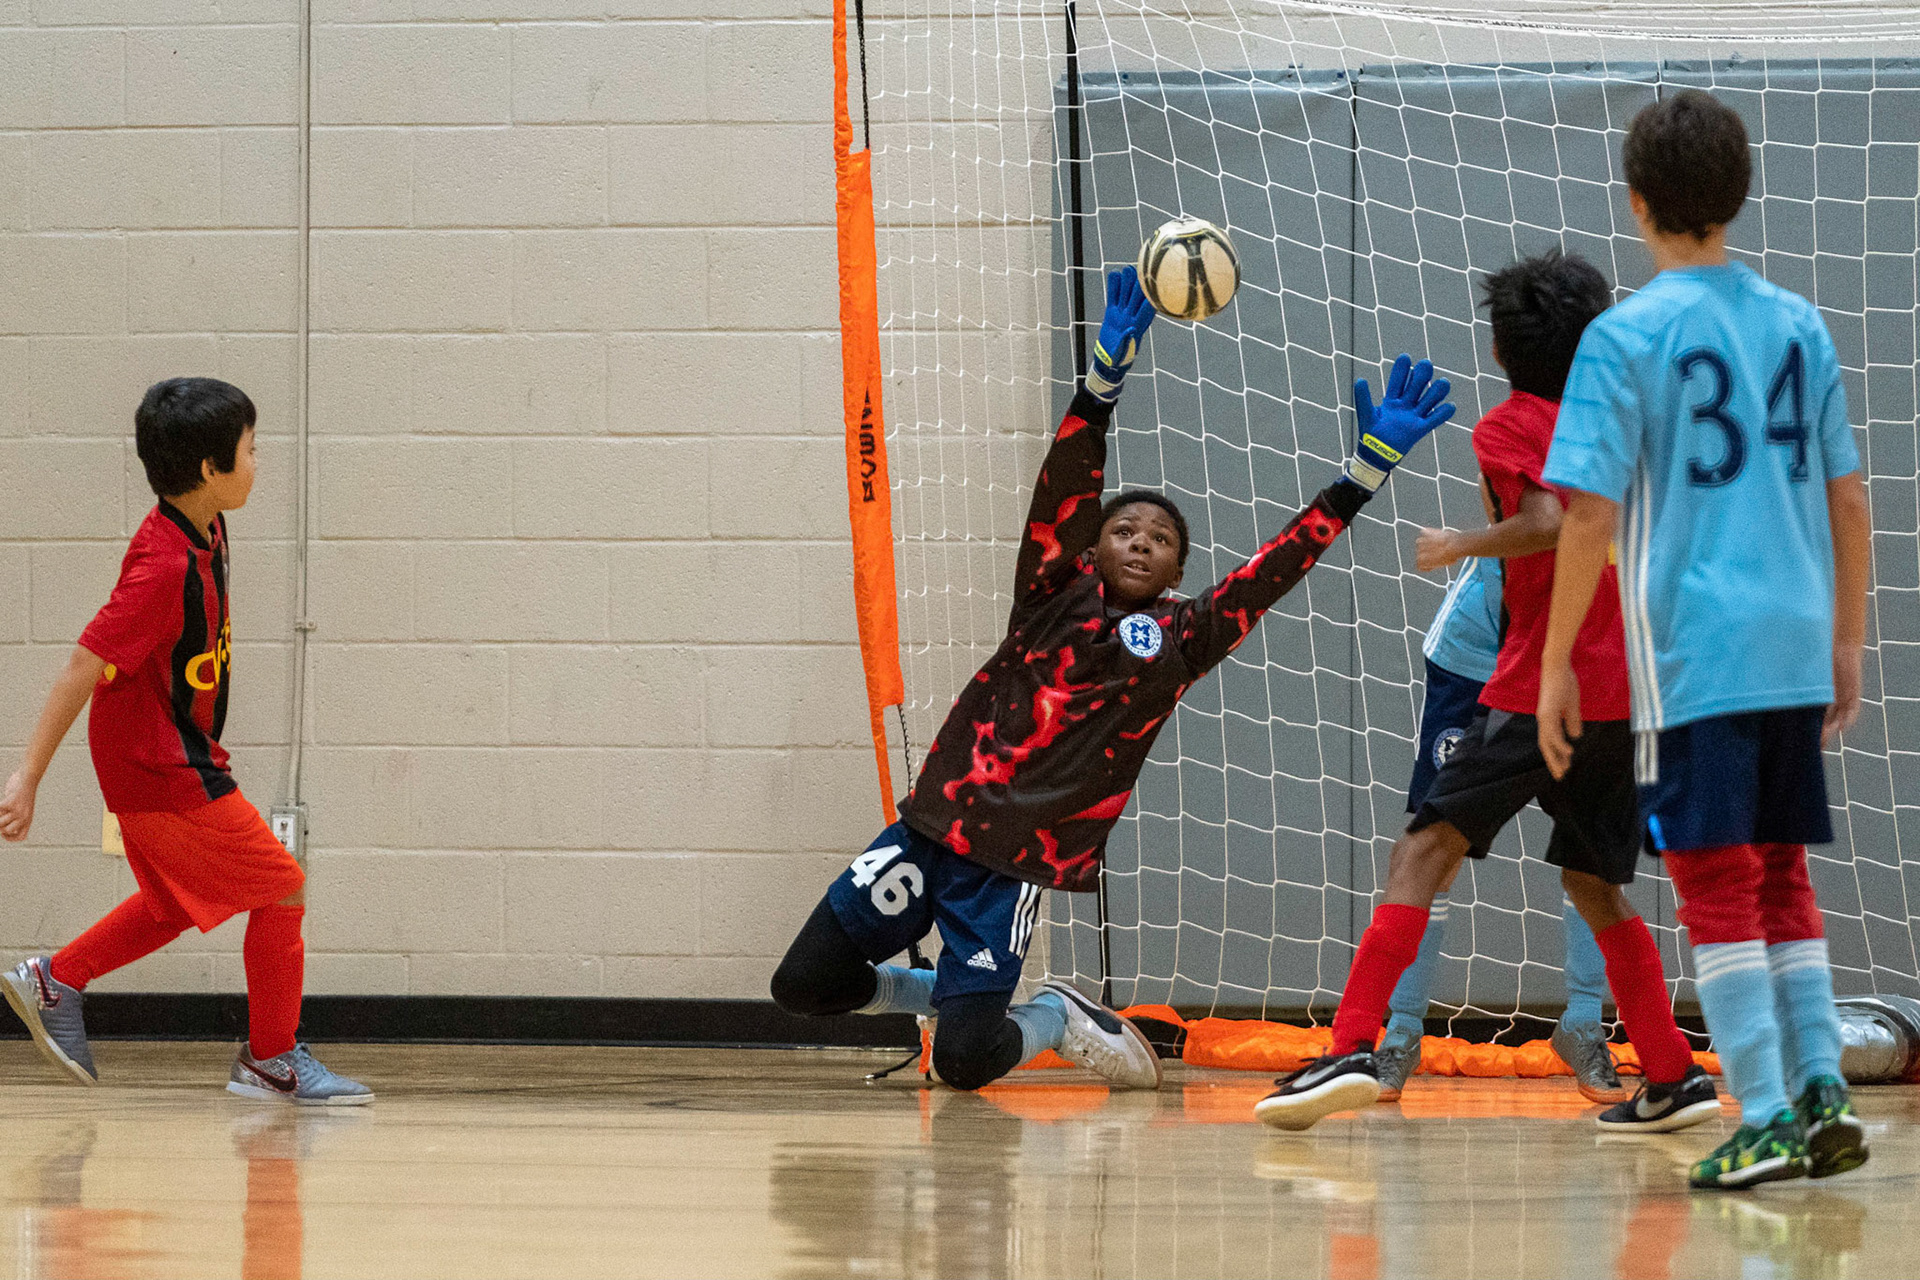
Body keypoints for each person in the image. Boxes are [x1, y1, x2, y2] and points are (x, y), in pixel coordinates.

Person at [772, 266, 1456, 1091]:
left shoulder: (1180, 638)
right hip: (929, 831)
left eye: (1160, 537)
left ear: (1176, 569)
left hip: (1011, 867)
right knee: (805, 986)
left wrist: (1364, 473)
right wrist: (1102, 381)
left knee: (962, 1064)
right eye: (1123, 528)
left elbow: (1276, 569)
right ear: (1091, 549)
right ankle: (944, 996)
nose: (1138, 540)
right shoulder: (1049, 594)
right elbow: (1064, 489)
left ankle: (1054, 1016)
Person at [1256, 249, 1716, 1134]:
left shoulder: (1510, 425)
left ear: (1501, 351)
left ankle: (1353, 1043)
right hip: (1629, 690)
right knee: (1594, 883)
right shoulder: (1627, 420)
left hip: (1540, 684)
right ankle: (1670, 1070)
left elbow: (1546, 524)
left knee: (1420, 852)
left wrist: (1457, 543)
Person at [1536, 89, 1871, 1189]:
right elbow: (1852, 497)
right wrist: (1847, 641)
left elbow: (1585, 512)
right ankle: (1820, 1091)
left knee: (1712, 878)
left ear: (1636, 201)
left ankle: (1766, 1108)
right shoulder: (1798, 321)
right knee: (1781, 871)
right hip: (1792, 630)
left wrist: (1551, 669)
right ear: (1739, 194)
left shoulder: (1625, 335)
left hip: (1700, 643)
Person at [0, 377, 371, 1106]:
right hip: (159, 762)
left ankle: (56, 978)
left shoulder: (202, 525)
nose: (258, 462)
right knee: (281, 886)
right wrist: (27, 778)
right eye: (251, 450)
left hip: (162, 751)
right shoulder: (163, 568)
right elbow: (83, 665)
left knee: (171, 905)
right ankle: (271, 1059)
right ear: (209, 470)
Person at [1379, 494, 1617, 1101]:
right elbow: (1539, 524)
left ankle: (1585, 1025)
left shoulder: (1630, 444)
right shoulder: (1522, 433)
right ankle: (1399, 1035)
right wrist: (1462, 543)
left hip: (1582, 662)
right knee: (1437, 851)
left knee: (1591, 861)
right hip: (1477, 660)